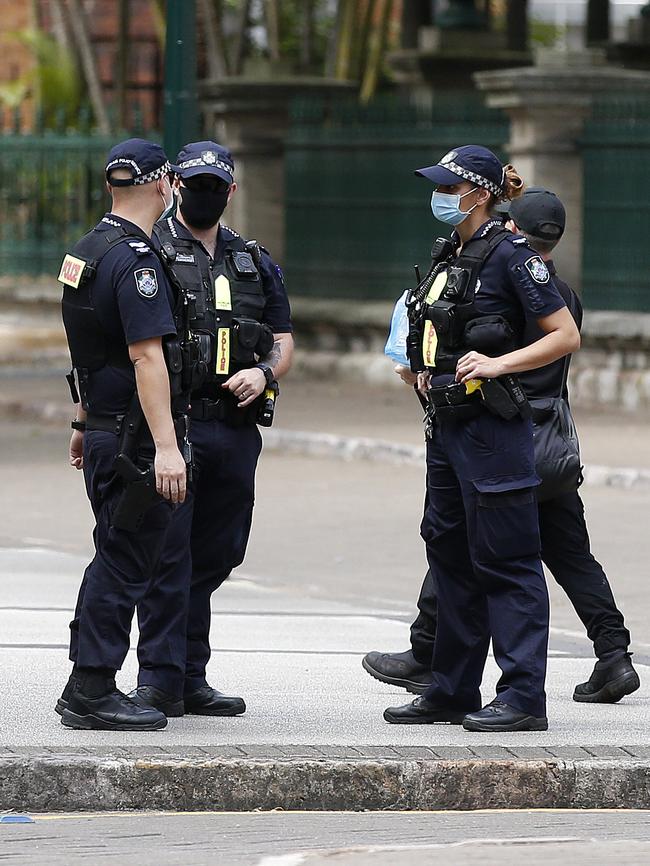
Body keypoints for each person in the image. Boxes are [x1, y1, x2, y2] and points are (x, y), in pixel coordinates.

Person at [364, 188, 640, 705]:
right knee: (561, 552)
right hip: (550, 442)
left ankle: (430, 652)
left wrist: (472, 367)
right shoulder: (558, 290)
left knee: (485, 552)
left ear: (514, 226)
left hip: (508, 434)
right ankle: (614, 652)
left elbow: (520, 349)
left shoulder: (515, 282)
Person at [381, 145, 580, 732]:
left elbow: (564, 334)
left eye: (449, 185)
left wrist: (500, 365)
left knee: (508, 561)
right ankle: (451, 688)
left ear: (478, 192)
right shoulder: (453, 251)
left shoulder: (514, 256)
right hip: (445, 425)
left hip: (493, 429)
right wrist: (421, 367)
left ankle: (522, 698)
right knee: (448, 553)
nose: (440, 195)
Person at [126, 141, 294, 717]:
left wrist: (264, 372)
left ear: (231, 191)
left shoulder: (252, 259)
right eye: (193, 184)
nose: (203, 195)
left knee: (216, 554)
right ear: (173, 184)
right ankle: (158, 679)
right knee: (167, 555)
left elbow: (284, 339)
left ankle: (190, 674)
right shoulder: (148, 252)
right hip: (174, 426)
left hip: (234, 430)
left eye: (213, 186)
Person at [56, 139, 188, 730]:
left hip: (104, 430)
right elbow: (144, 358)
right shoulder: (136, 260)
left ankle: (90, 680)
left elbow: (87, 352)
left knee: (112, 550)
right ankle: (90, 687)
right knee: (125, 559)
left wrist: (83, 422)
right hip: (134, 440)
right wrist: (166, 446)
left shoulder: (86, 250)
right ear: (163, 186)